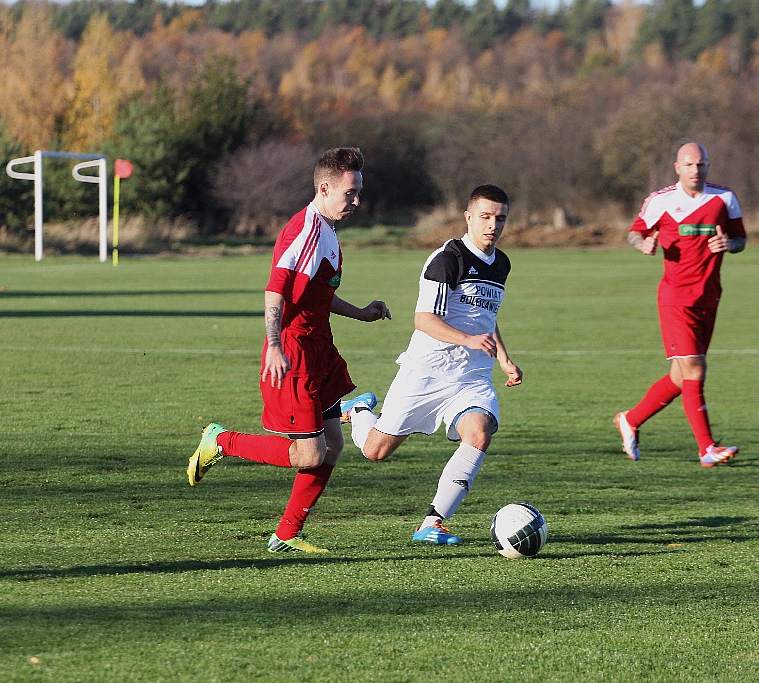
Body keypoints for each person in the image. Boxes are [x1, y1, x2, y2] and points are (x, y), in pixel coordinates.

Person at [187, 147, 391, 553]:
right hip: (294, 351)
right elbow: (274, 290)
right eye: (350, 193)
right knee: (308, 454)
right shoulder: (304, 231)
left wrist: (361, 313)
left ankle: (286, 534)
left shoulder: (327, 230)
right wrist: (276, 345)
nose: (357, 202)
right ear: (325, 187)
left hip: (321, 349)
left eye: (359, 193)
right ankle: (221, 440)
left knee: (333, 445)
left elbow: (317, 296)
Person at [342, 184, 522, 545]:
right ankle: (359, 410)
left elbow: (486, 317)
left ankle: (433, 522)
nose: (493, 225)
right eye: (485, 217)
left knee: (479, 434)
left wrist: (502, 357)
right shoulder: (447, 259)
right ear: (468, 217)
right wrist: (470, 340)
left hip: (472, 375)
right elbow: (424, 319)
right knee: (375, 451)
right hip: (427, 371)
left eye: (500, 218)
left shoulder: (501, 263)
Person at [613, 142, 747, 467]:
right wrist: (643, 244)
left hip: (709, 297)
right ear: (677, 167)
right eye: (689, 165)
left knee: (679, 375)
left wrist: (730, 243)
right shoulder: (661, 201)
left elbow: (741, 239)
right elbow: (635, 232)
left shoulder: (724, 198)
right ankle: (707, 448)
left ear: (707, 166)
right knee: (695, 369)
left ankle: (629, 419)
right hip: (675, 298)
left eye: (701, 165)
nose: (695, 170)